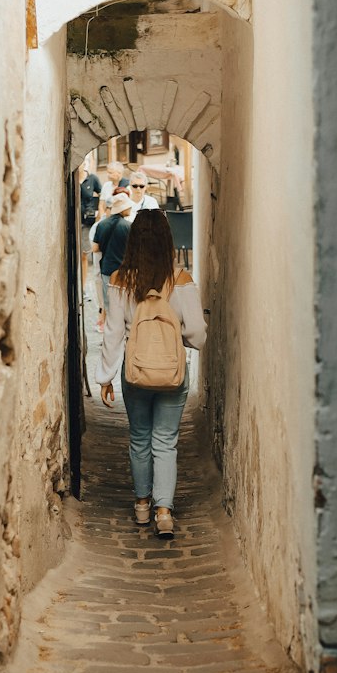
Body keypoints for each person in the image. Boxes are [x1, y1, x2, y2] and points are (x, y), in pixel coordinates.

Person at [97, 209, 206, 539]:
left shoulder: (120, 280)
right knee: (165, 442)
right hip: (173, 371)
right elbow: (198, 333)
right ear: (167, 241)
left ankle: (142, 505)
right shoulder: (180, 280)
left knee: (140, 438)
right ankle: (163, 512)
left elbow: (113, 333)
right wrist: (178, 338)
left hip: (135, 371)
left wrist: (105, 376)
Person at [92, 190, 134, 316]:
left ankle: (111, 330)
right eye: (128, 206)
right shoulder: (129, 226)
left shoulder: (101, 225)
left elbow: (95, 248)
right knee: (126, 303)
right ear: (123, 208)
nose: (131, 208)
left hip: (107, 268)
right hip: (125, 270)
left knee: (110, 304)